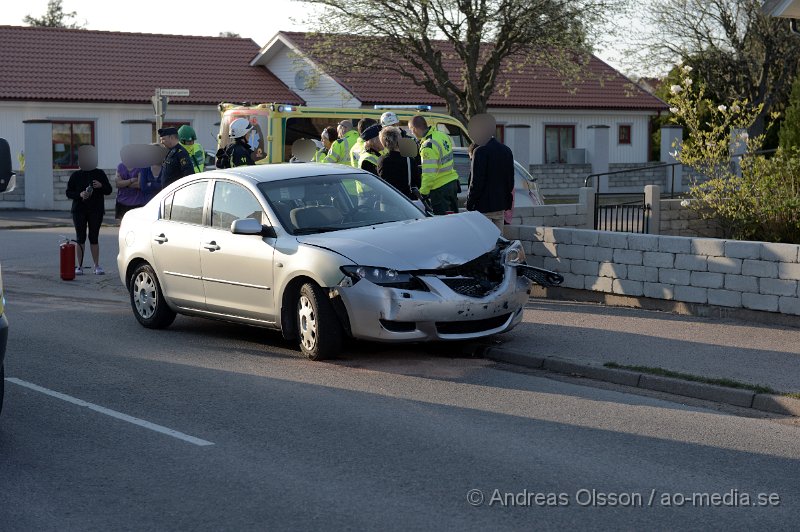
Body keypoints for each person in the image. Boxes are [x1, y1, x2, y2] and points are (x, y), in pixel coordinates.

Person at [65, 145, 112, 275]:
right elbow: (68, 192)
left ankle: (97, 266)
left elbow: (109, 190)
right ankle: (79, 266)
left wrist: (101, 185)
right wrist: (79, 195)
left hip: (96, 209)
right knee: (80, 237)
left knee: (94, 237)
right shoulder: (75, 175)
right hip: (79, 210)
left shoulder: (99, 173)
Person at [408, 115, 459, 215]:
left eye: (410, 130)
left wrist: (423, 193)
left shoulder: (428, 146)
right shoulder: (442, 135)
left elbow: (429, 174)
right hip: (452, 184)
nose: (411, 133)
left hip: (440, 189)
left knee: (442, 223)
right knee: (453, 220)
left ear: (414, 129)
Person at [466, 129, 514, 230]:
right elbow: (510, 181)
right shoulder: (506, 150)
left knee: (485, 241)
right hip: (500, 206)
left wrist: (470, 203)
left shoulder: (479, 151)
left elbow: (476, 182)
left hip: (482, 206)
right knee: (499, 240)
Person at [377, 126, 420, 199]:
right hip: (406, 200)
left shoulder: (381, 160)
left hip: (387, 200)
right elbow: (418, 182)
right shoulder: (409, 160)